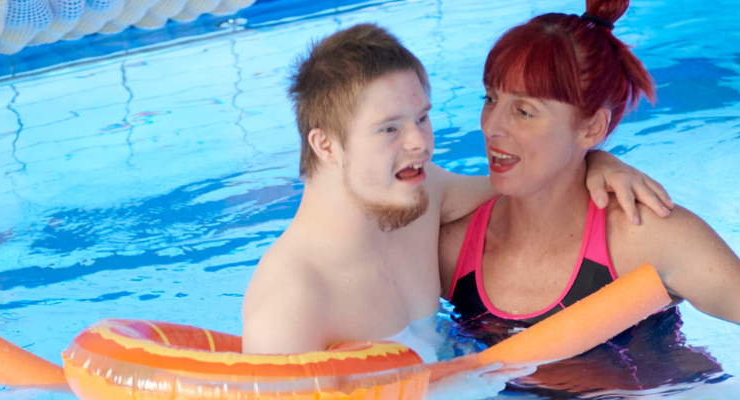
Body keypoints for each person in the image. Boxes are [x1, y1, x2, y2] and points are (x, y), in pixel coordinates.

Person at [437, 1, 740, 399]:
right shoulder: (450, 250)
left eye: (524, 111)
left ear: (592, 129)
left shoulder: (646, 237)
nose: (492, 126)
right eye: (490, 98)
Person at [240, 24, 677, 399]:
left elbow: (536, 179)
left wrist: (597, 160)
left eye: (422, 119)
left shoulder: (418, 194)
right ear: (326, 145)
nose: (420, 144)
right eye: (390, 128)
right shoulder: (291, 301)